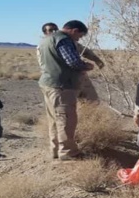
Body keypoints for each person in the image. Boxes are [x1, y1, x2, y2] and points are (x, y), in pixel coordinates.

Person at [37, 20, 105, 161]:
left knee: (54, 119)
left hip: (49, 84)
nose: (78, 39)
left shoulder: (46, 40)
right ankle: (68, 152)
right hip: (62, 86)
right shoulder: (64, 40)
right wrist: (87, 66)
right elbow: (73, 62)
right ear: (74, 30)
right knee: (66, 119)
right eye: (79, 36)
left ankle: (55, 150)